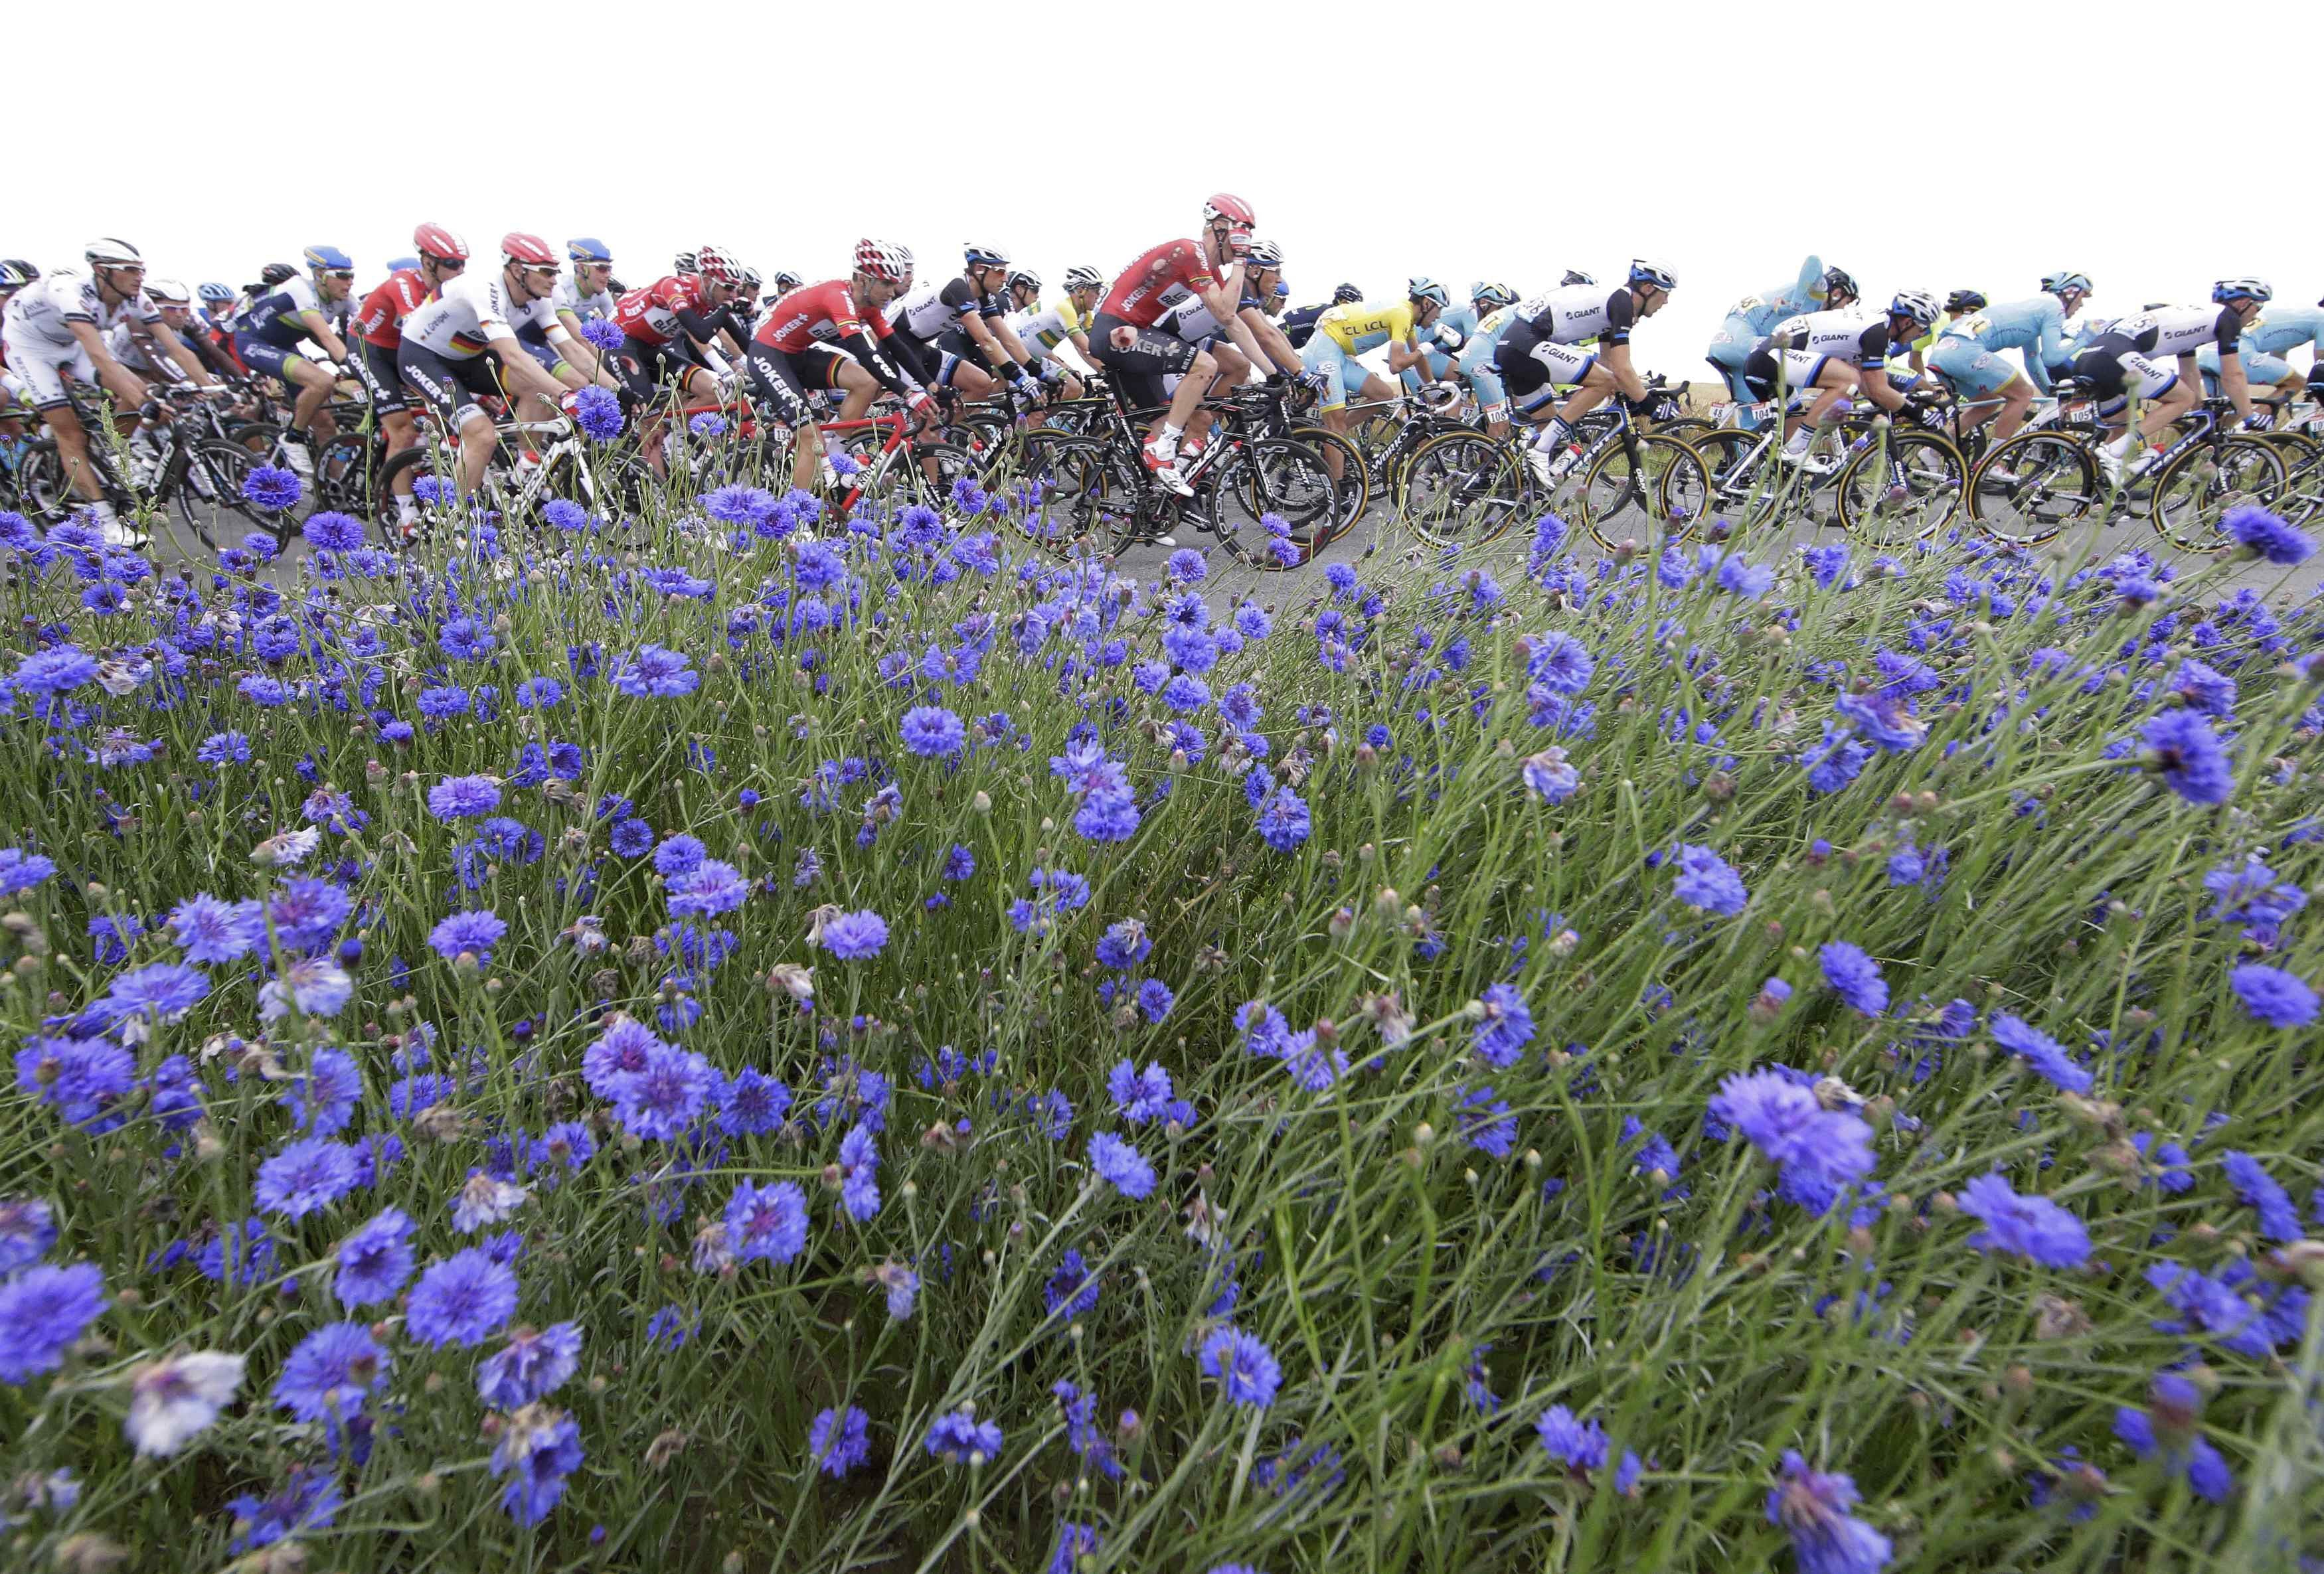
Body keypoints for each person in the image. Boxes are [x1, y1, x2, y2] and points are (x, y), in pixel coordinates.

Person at [1, 238, 222, 542]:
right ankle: (106, 521)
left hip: (68, 344)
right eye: (129, 269)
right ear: (101, 270)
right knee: (72, 434)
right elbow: (101, 358)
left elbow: (178, 350)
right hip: (30, 348)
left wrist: (214, 391)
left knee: (142, 393)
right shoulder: (71, 292)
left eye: (141, 269)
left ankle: (118, 452)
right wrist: (143, 402)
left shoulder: (137, 299)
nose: (139, 276)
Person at [1086, 193, 1277, 494]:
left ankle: (1152, 506)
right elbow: (1226, 313)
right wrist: (1241, 263)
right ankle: (1162, 449)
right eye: (1241, 237)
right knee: (1204, 365)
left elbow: (1233, 323)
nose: (1245, 246)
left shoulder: (1209, 271)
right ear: (1221, 229)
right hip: (1116, 332)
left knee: (1163, 422)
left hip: (1132, 334)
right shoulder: (1190, 251)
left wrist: (1272, 372)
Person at [394, 232, 582, 496]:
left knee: (537, 389)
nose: (554, 279)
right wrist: (564, 393)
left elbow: (571, 348)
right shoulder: (486, 288)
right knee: (483, 436)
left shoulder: (540, 300)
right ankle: (456, 516)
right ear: (518, 269)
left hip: (467, 357)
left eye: (556, 272)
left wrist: (617, 391)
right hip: (423, 357)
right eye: (547, 272)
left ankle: (525, 469)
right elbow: (512, 355)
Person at [743, 238, 936, 493]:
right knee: (812, 440)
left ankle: (834, 458)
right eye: (887, 284)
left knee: (867, 383)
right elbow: (864, 352)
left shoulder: (868, 307)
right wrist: (907, 393)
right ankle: (796, 514)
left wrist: (931, 386)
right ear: (863, 279)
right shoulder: (838, 296)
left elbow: (896, 347)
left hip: (796, 355)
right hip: (767, 356)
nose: (892, 292)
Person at [1496, 260, 1680, 484]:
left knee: (1548, 425)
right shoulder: (1622, 303)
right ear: (1649, 289)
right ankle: (1539, 451)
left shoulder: (1611, 303)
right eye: (1665, 293)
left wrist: (1632, 395)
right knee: (1603, 383)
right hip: (1526, 345)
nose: (1666, 301)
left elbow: (1608, 363)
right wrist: (1650, 405)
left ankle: (1527, 491)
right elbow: (1621, 369)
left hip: (1517, 346)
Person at [2075, 279, 2271, 484]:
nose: (2256, 315)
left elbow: (2189, 374)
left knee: (2122, 430)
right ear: (2243, 303)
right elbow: (2232, 375)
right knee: (2182, 398)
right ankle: (2113, 452)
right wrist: (2249, 416)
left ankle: (2099, 490)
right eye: (2258, 307)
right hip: (2117, 356)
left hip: (2090, 358)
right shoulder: (2228, 317)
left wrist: (2200, 412)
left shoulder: (2194, 320)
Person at [352, 223, 471, 530]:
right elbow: (416, 327)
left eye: (463, 264)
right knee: (403, 431)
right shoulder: (404, 282)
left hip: (402, 352)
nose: (460, 271)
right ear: (428, 262)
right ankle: (406, 514)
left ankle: (416, 468)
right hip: (369, 350)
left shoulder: (450, 290)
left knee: (443, 415)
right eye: (452, 264)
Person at [1742, 293, 1916, 472]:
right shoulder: (1878, 332)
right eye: (1922, 329)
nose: (1921, 335)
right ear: (1908, 322)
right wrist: (1918, 413)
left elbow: (1868, 387)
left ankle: (1768, 475)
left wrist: (1890, 404)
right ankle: (1796, 450)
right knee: (1849, 380)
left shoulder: (1872, 324)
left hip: (1764, 357)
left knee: (1798, 425)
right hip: (1772, 357)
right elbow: (1877, 388)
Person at [1301, 279, 1456, 467]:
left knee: (1383, 395)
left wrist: (1431, 386)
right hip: (1323, 352)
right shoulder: (1402, 314)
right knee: (1336, 425)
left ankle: (1331, 437)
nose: (1438, 316)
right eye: (1439, 309)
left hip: (1338, 353)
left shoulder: (1405, 315)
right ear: (1426, 303)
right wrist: (1424, 351)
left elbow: (1418, 358)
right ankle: (1335, 482)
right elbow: (1396, 365)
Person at [233, 244, 359, 473]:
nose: (349, 282)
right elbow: (325, 336)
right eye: (342, 275)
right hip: (253, 343)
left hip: (285, 347)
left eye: (352, 275)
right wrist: (357, 366)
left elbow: (368, 334)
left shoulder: (345, 298)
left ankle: (334, 486)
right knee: (322, 381)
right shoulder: (299, 288)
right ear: (320, 274)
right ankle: (293, 438)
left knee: (325, 423)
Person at [1925, 272, 2088, 445]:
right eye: (2083, 296)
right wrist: (2085, 338)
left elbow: (2033, 361)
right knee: (2023, 394)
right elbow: (2052, 358)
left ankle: (1934, 450)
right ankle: (1995, 458)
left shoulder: (2035, 309)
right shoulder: (2055, 307)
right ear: (2070, 292)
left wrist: (2050, 392)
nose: (2082, 304)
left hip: (1943, 354)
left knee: (1987, 403)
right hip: (1965, 351)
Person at [884, 243, 1048, 408]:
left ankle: (946, 424)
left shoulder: (984, 298)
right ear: (979, 269)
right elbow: (986, 341)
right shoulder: (958, 288)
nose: (1005, 279)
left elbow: (1007, 339)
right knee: (927, 412)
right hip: (897, 345)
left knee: (982, 384)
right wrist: (1021, 379)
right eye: (1000, 271)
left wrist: (1040, 374)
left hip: (919, 347)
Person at [1706, 257, 1833, 420]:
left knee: (1755, 420)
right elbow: (1813, 262)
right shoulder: (1820, 291)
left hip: (1740, 347)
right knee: (1787, 363)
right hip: (1741, 333)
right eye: (1849, 301)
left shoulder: (1823, 323)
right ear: (1839, 293)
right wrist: (1796, 304)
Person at [2197, 293, 2324, 406]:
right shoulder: (2322, 318)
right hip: (2238, 352)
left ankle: (2234, 426)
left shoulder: (2301, 315)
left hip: (2211, 354)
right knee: (2296, 383)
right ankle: (2257, 422)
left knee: (2231, 410)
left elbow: (2278, 356)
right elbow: (2320, 364)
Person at [1004, 263, 1103, 379]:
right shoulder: (1065, 308)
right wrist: (1108, 370)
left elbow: (1094, 344)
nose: (1099, 295)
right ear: (1080, 290)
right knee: (1044, 389)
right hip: (1012, 352)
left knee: (1074, 385)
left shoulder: (1084, 313)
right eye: (1097, 291)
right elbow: (1084, 347)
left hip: (1033, 356)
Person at [1453, 282, 1523, 434]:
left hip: (1481, 363)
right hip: (1480, 366)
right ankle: (1489, 451)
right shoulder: (1510, 318)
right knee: (1500, 423)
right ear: (1484, 303)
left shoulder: (1501, 318)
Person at [1282, 283, 1363, 350]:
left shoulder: (1330, 314)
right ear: (1343, 302)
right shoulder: (1327, 314)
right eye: (1353, 308)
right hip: (1282, 340)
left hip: (1287, 343)